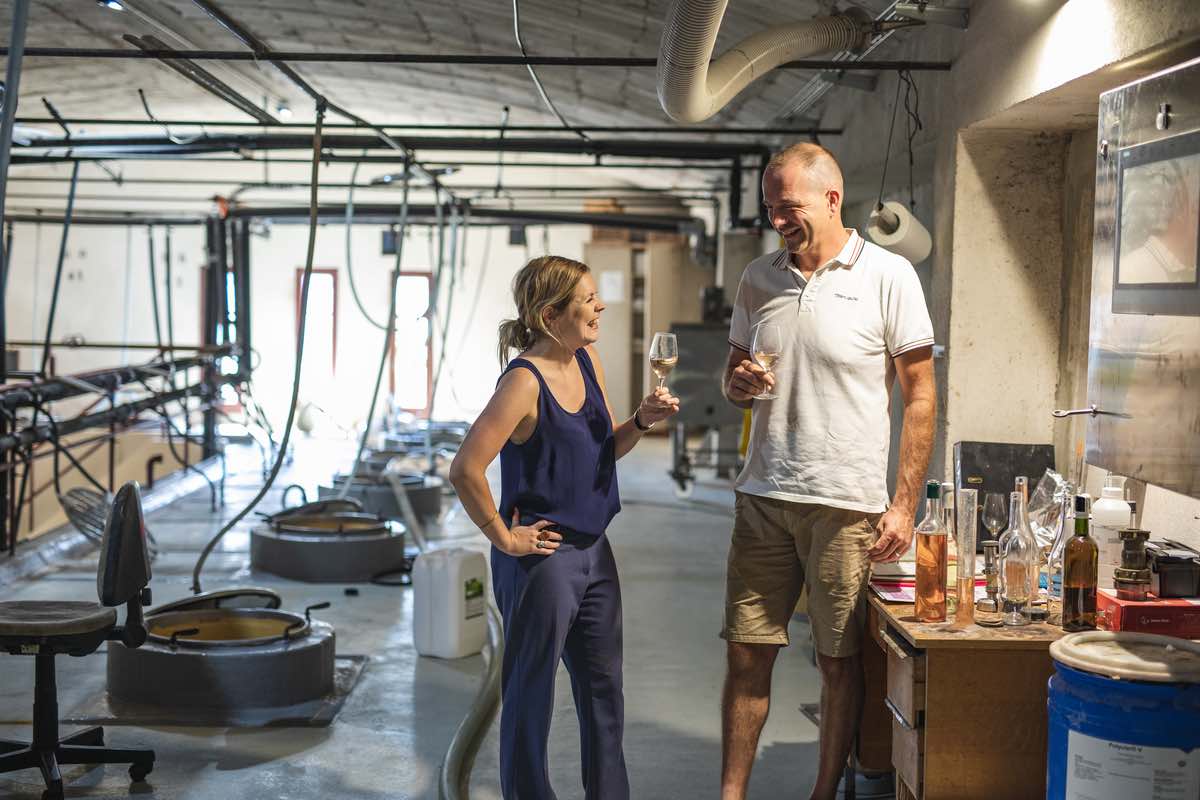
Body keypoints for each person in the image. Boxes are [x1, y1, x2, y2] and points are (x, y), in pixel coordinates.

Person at [719, 143, 936, 800]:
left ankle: (822, 795)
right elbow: (733, 380)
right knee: (745, 655)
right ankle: (730, 795)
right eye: (770, 209)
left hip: (845, 505)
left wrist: (903, 505)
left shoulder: (889, 275)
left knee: (839, 661)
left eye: (789, 208)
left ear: (832, 199)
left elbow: (920, 394)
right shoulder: (758, 276)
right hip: (762, 495)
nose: (777, 220)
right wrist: (739, 381)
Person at [448, 255, 680, 800]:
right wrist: (504, 538)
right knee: (531, 696)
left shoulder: (586, 361)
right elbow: (465, 469)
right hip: (543, 560)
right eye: (587, 300)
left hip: (596, 553)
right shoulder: (523, 382)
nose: (601, 306)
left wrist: (641, 421)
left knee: (604, 692)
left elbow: (603, 453)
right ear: (551, 314)